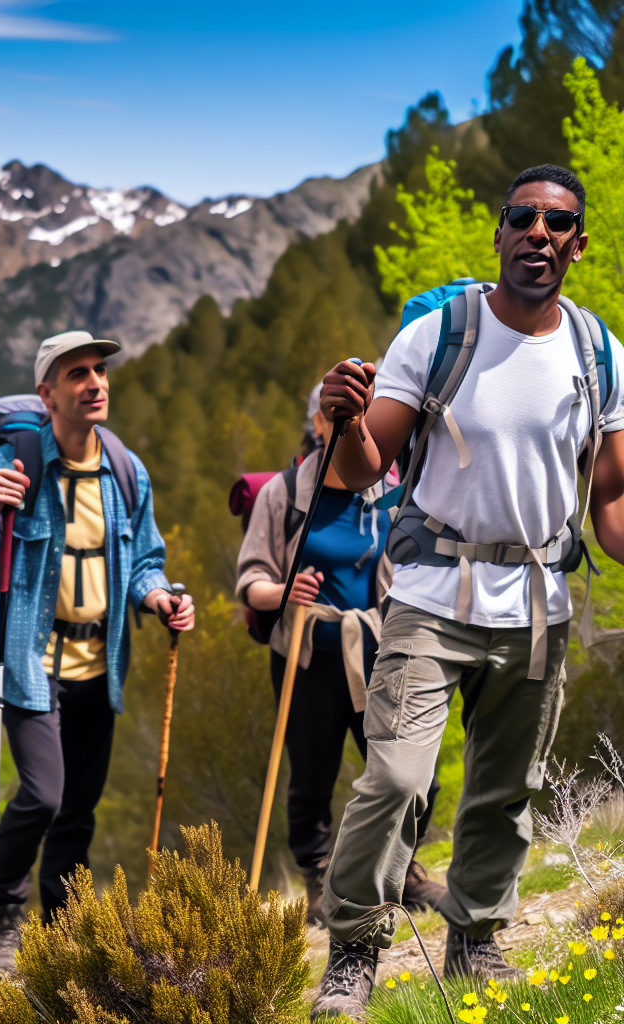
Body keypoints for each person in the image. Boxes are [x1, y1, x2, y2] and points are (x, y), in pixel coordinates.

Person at [310, 164, 624, 1019]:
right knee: (395, 782)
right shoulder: (438, 334)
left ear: (578, 245)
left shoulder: (598, 353)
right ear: (499, 232)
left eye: (556, 224)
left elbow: (609, 499)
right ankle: (352, 955)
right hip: (426, 598)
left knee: (505, 789)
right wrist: (337, 419)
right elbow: (365, 466)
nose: (539, 234)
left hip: (537, 607)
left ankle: (475, 948)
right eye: (523, 218)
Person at [0, 329, 195, 971]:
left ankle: (61, 942)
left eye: (100, 371)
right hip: (28, 660)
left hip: (101, 663)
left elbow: (144, 561)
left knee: (77, 813)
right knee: (45, 796)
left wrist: (160, 598)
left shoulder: (125, 471)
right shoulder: (11, 462)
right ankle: (4, 915)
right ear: (46, 393)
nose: (95, 382)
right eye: (78, 373)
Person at [236, 383, 446, 925]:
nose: (350, 426)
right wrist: (283, 591)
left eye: (362, 417)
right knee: (311, 776)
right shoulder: (281, 495)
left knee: (411, 765)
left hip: (383, 647)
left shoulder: (392, 489)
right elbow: (251, 579)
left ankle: (401, 869)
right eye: (337, 416)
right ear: (317, 424)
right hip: (307, 657)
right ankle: (320, 878)